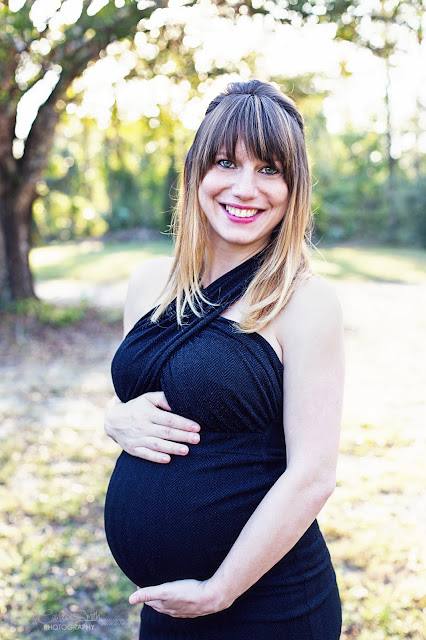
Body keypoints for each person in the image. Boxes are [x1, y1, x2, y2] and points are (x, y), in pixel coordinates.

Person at [104, 79, 345, 639]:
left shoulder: (304, 302)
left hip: (268, 606)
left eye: (269, 169)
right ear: (197, 171)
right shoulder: (148, 284)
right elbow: (145, 403)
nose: (245, 188)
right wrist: (113, 418)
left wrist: (220, 590)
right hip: (167, 606)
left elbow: (313, 476)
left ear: (293, 187)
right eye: (226, 162)